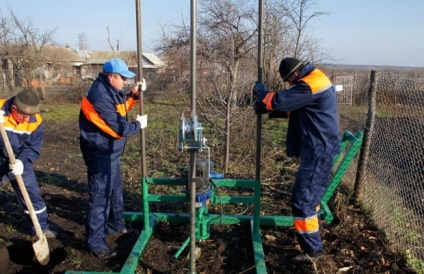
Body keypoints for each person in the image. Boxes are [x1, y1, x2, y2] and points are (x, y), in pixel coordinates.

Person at [254, 57, 340, 263]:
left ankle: (313, 251)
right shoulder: (312, 80)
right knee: (310, 199)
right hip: (320, 148)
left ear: (293, 75)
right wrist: (267, 107)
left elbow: (279, 101)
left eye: (289, 82)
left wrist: (262, 95)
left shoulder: (310, 84)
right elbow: (295, 110)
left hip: (319, 150)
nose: (290, 85)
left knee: (302, 201)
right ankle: (314, 237)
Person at [79, 58, 148, 259]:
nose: (125, 82)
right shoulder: (99, 96)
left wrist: (134, 95)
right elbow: (118, 128)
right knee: (100, 196)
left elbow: (120, 108)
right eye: (123, 78)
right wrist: (137, 125)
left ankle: (115, 224)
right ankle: (95, 242)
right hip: (100, 151)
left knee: (115, 190)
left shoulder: (110, 90)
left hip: (111, 151)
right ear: (111, 77)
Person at [0, 90, 57, 238]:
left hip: (19, 159)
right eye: (24, 115)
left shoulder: (35, 121)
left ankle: (41, 229)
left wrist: (21, 161)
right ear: (13, 108)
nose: (27, 119)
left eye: (30, 116)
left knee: (32, 194)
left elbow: (32, 147)